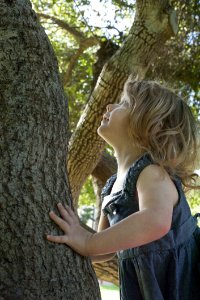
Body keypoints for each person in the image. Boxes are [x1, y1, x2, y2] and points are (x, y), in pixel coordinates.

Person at [47, 79, 200, 300]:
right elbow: (106, 246)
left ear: (152, 125)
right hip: (146, 285)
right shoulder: (112, 187)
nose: (110, 106)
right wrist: (76, 242)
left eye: (124, 104)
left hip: (181, 282)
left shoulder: (151, 172)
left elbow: (156, 220)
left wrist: (89, 243)